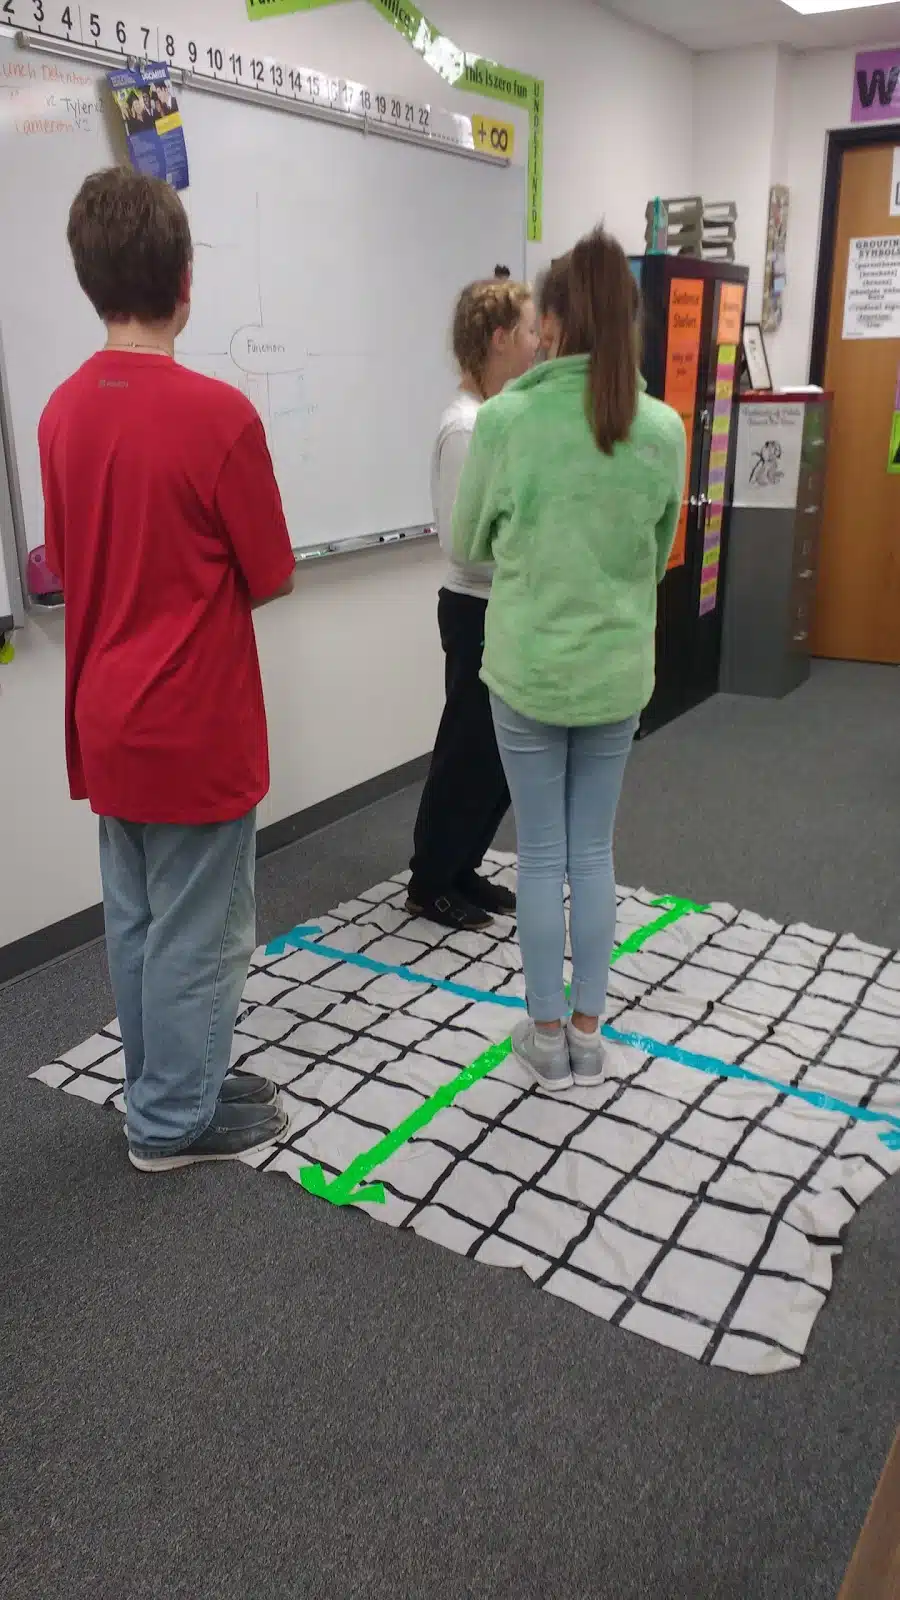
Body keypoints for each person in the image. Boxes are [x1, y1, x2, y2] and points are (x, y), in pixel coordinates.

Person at [39, 168, 297, 1172]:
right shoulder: (218, 416)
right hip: (195, 723)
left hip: (106, 715)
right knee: (204, 930)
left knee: (142, 920)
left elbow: (63, 562)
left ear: (88, 280)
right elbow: (269, 574)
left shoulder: (60, 412)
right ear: (186, 280)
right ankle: (170, 1121)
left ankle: (165, 1081)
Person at [452, 227, 686, 1092]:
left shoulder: (507, 417)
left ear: (548, 323)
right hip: (617, 674)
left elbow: (465, 539)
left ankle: (544, 1037)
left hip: (527, 672)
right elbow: (663, 547)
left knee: (542, 854)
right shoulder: (661, 428)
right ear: (629, 322)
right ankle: (590, 1034)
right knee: (593, 854)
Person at [407, 277, 541, 931]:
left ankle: (461, 868)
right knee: (468, 748)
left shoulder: (497, 419)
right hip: (476, 609)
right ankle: (430, 879)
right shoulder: (465, 428)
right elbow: (466, 545)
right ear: (499, 339)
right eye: (530, 332)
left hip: (506, 606)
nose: (539, 344)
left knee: (498, 756)